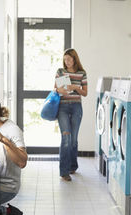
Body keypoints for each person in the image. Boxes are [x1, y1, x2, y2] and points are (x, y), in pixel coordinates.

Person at [54, 48, 88, 181]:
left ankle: (73, 165)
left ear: (75, 59)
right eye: (65, 59)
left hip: (76, 107)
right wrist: (61, 89)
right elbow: (55, 89)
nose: (66, 61)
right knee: (66, 138)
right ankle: (64, 171)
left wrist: (75, 88)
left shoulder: (82, 73)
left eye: (69, 59)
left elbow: (85, 93)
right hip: (62, 107)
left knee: (73, 140)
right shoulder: (60, 72)